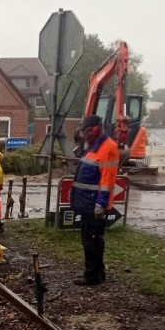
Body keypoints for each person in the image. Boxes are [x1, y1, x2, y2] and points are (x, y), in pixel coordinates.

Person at [70, 115, 119, 286]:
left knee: (92, 240)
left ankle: (92, 275)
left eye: (86, 131)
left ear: (95, 130)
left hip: (94, 204)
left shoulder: (108, 148)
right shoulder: (93, 147)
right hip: (86, 202)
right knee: (90, 239)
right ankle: (97, 271)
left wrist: (101, 204)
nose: (83, 134)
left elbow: (107, 181)